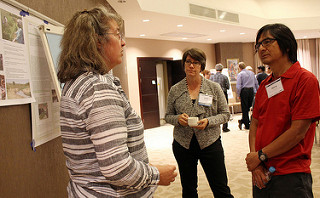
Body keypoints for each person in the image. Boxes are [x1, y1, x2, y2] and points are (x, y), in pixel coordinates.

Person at [57, 7, 177, 197]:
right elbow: (118, 169)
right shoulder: (98, 88)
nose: (123, 42)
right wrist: (156, 175)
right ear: (97, 41)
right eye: (117, 34)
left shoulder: (77, 82)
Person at [245, 23, 320, 198]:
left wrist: (261, 155)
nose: (261, 48)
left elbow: (297, 132)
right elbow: (255, 123)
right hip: (262, 171)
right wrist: (256, 162)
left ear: (286, 44)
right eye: (258, 45)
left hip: (290, 174)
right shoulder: (265, 85)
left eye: (267, 42)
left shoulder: (305, 80)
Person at [165, 48, 233, 198]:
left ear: (201, 66)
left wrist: (209, 121)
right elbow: (168, 115)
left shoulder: (213, 88)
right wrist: (177, 119)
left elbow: (225, 114)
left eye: (195, 63)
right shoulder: (175, 90)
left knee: (220, 188)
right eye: (188, 62)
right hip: (183, 144)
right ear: (183, 64)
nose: (191, 66)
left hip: (210, 143)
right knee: (189, 189)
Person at [236, 62, 259, 130]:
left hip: (244, 91)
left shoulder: (240, 74)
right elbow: (256, 83)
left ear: (239, 68)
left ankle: (245, 123)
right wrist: (258, 91)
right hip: (251, 91)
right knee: (250, 107)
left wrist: (238, 94)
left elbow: (239, 86)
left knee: (244, 108)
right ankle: (245, 121)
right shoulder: (252, 73)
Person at [210, 63, 231, 132]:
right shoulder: (225, 77)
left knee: (214, 111)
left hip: (213, 95)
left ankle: (215, 126)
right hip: (223, 94)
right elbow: (228, 86)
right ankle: (225, 127)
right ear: (222, 69)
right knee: (224, 110)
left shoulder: (211, 77)